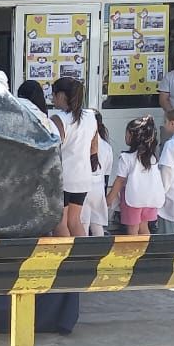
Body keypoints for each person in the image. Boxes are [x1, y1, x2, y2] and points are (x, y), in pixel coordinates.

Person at [48, 77, 99, 237]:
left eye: (54, 95)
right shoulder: (90, 116)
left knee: (60, 223)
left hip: (63, 177)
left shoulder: (58, 119)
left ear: (61, 95)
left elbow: (54, 149)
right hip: (82, 176)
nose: (52, 99)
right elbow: (94, 145)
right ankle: (82, 257)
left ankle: (63, 259)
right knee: (75, 221)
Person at [106, 116, 165, 236]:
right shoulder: (152, 157)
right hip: (149, 198)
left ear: (133, 136)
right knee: (144, 227)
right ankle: (146, 252)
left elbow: (120, 180)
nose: (125, 136)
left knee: (132, 229)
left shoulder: (126, 157)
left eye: (127, 134)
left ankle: (132, 253)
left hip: (132, 198)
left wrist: (109, 198)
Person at [80, 111, 114, 237]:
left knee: (83, 222)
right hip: (99, 187)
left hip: (83, 187)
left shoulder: (82, 144)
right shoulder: (107, 147)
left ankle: (82, 254)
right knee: (97, 223)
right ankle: (100, 253)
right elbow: (107, 174)